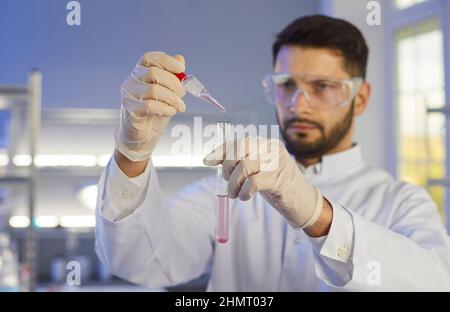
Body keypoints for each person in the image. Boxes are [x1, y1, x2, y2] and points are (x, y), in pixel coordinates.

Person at [95, 15, 450, 291]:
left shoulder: (400, 201)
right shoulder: (228, 189)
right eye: (286, 85)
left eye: (322, 87)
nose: (299, 104)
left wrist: (318, 215)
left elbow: (437, 282)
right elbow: (138, 260)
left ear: (361, 97)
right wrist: (133, 151)